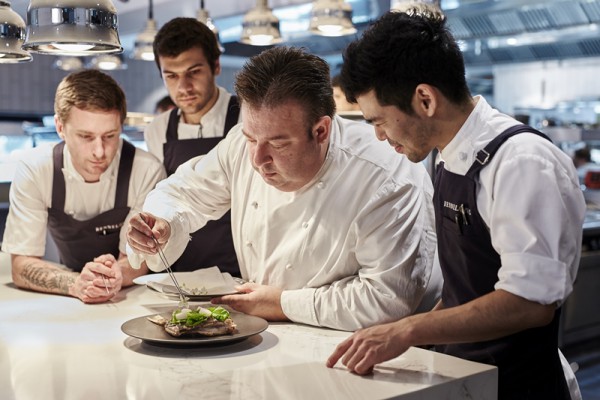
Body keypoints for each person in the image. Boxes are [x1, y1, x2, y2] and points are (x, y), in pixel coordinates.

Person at [325, 8, 586, 400]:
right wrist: (407, 339)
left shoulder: (521, 162)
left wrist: (407, 330)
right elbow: (469, 290)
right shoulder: (447, 157)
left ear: (425, 99)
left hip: (517, 385)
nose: (379, 137)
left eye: (379, 121)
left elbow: (530, 303)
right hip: (466, 378)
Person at [126, 46, 441, 331]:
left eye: (278, 144)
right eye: (251, 138)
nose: (258, 159)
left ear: (320, 131)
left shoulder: (386, 177)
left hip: (370, 351)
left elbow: (386, 300)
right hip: (269, 334)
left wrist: (282, 303)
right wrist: (163, 222)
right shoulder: (240, 145)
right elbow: (181, 192)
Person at [1, 69, 166, 304]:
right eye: (86, 137)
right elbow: (21, 265)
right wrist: (75, 284)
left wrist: (115, 274)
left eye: (110, 136)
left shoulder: (146, 170)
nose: (99, 151)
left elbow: (136, 262)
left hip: (127, 297)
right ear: (60, 128)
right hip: (65, 296)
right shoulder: (36, 169)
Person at [143, 17, 241, 276]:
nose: (183, 87)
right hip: (177, 273)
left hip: (240, 269)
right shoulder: (157, 129)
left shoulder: (247, 118)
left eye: (193, 72)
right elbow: (162, 196)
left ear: (216, 66)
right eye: (171, 76)